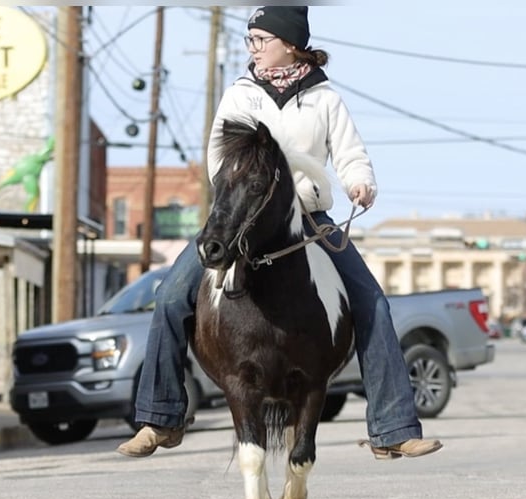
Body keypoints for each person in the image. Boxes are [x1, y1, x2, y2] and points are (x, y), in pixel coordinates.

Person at [118, 5, 442, 461]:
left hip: (308, 219)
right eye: (250, 40)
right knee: (171, 296)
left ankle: (392, 427)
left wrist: (359, 181)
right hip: (243, 217)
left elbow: (350, 154)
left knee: (373, 302)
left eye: (261, 40)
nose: (253, 48)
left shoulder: (325, 98)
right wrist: (247, 195)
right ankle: (161, 419)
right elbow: (218, 157)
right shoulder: (239, 95)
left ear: (290, 43)